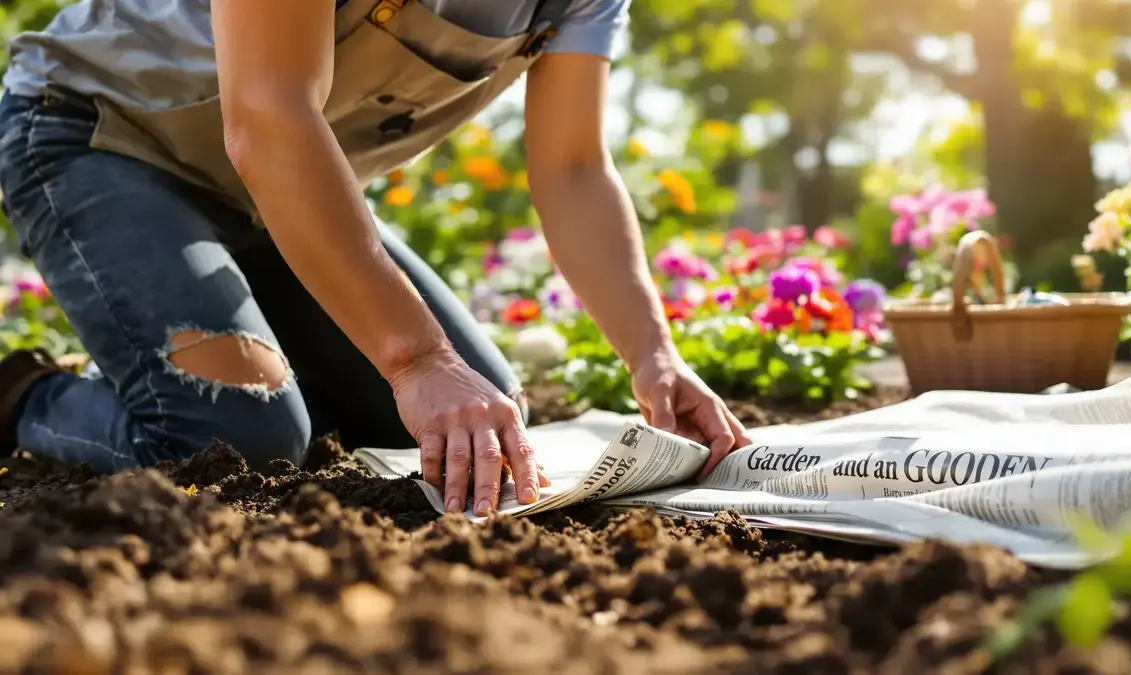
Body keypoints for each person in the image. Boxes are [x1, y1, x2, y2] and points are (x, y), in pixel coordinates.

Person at [0, 0, 752, 516]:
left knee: (475, 417)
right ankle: (25, 392)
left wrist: (653, 353)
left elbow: (574, 169)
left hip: (265, 192)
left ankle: (206, 357)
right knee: (230, 440)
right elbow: (266, 116)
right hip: (98, 135)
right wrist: (417, 357)